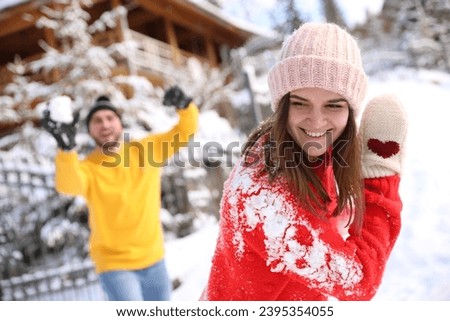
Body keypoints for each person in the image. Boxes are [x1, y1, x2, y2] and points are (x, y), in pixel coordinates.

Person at [201, 22, 408, 300]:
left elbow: (327, 219)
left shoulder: (307, 153)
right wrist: (380, 176)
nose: (317, 121)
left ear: (350, 110)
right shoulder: (262, 196)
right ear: (282, 104)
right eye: (300, 103)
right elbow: (357, 280)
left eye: (333, 105)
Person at [41, 86, 199, 301]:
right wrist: (66, 149)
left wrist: (185, 106)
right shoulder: (89, 168)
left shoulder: (146, 150)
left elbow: (184, 131)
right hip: (115, 266)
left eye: (109, 117)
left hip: (154, 260)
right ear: (89, 131)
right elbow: (67, 185)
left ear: (120, 123)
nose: (105, 124)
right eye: (97, 120)